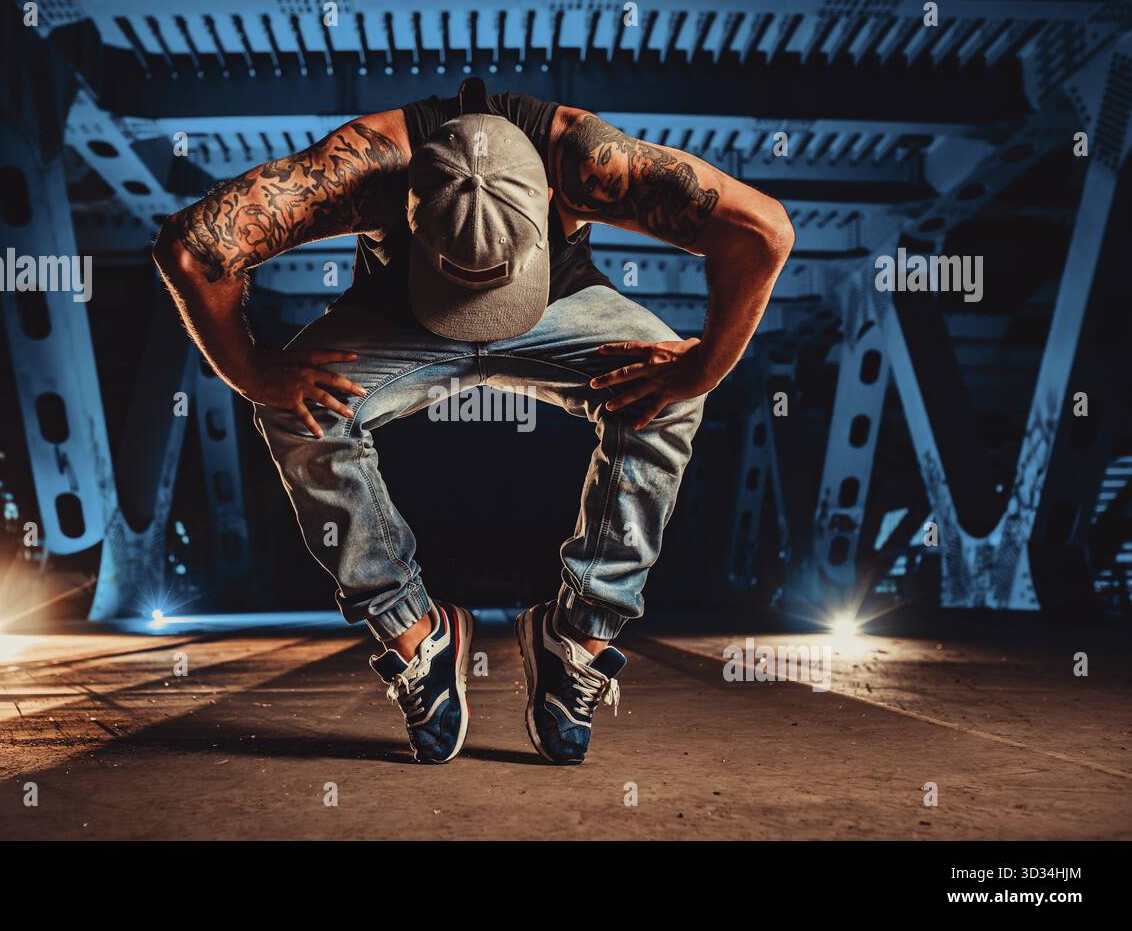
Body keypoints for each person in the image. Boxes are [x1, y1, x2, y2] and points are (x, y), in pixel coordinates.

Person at [153, 78, 792, 765]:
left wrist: (701, 371)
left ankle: (578, 632)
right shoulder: (358, 171)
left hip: (557, 305)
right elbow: (190, 251)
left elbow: (763, 231)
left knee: (667, 399)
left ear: (554, 197)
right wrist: (253, 374)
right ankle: (414, 633)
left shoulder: (589, 162)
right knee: (294, 409)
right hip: (402, 316)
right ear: (405, 207)